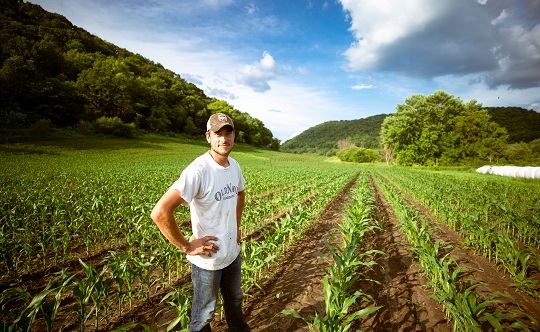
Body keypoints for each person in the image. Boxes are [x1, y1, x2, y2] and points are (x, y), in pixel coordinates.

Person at [151, 113, 250, 332]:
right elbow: (160, 212)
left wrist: (236, 224)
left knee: (235, 302)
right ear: (208, 137)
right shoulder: (198, 170)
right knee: (204, 314)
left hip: (232, 254)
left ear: (234, 135)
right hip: (209, 260)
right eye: (218, 134)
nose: (223, 139)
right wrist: (187, 246)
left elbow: (240, 193)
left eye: (228, 133)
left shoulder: (234, 166)